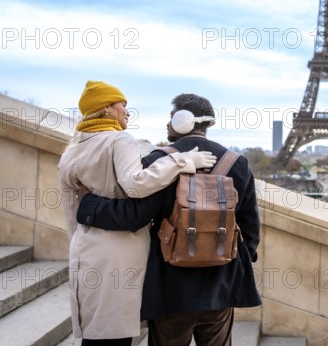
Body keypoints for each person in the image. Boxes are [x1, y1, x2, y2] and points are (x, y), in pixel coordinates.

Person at [75, 93, 261, 346]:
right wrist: (229, 267)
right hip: (220, 286)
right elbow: (249, 227)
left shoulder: (159, 161)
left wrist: (88, 205)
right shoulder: (237, 163)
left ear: (182, 120)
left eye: (171, 118)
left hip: (170, 289)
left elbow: (133, 216)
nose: (167, 123)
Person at [58, 81, 217, 346]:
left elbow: (70, 210)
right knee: (114, 334)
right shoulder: (119, 140)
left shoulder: (72, 149)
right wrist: (181, 161)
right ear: (107, 108)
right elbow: (136, 184)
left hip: (85, 247)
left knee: (96, 333)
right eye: (122, 105)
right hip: (119, 251)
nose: (127, 112)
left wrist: (77, 243)